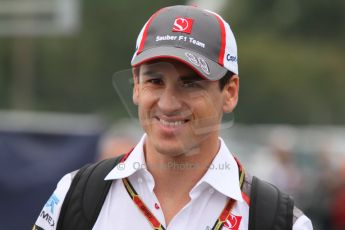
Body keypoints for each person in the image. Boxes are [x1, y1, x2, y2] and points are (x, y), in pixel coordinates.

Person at [33, 5, 313, 230]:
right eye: (155, 80)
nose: (168, 103)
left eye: (190, 83)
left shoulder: (281, 220)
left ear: (229, 92)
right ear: (137, 85)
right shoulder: (75, 194)